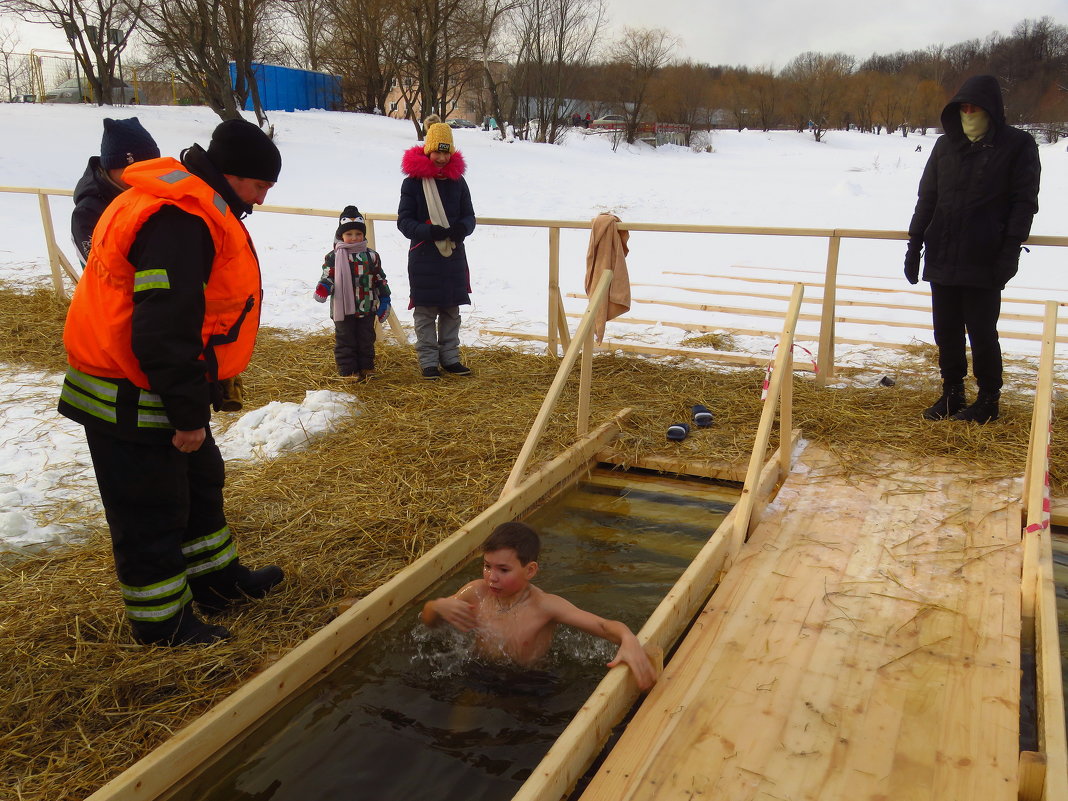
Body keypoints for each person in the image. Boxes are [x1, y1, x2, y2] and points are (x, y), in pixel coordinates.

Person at [58, 118, 286, 646]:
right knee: (150, 507)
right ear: (230, 176)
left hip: (156, 383)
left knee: (199, 485)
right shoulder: (180, 219)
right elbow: (164, 325)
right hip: (129, 392)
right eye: (258, 187)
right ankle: (161, 622)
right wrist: (187, 416)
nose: (261, 200)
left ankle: (214, 581)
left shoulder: (192, 203)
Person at [905, 74, 1040, 424]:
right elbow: (928, 198)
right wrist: (914, 243)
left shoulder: (1018, 145)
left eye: (975, 107)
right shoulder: (944, 146)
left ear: (991, 109)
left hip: (984, 257)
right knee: (945, 331)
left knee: (981, 332)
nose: (968, 113)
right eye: (963, 107)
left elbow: (1023, 203)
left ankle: (988, 400)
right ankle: (952, 393)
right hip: (942, 253)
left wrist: (1010, 250)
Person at [421, 521, 658, 691]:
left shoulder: (545, 606)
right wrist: (437, 605)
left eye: (503, 570)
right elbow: (428, 621)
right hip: (478, 672)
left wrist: (628, 638)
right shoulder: (475, 592)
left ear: (530, 570)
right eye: (486, 566)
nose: (491, 577)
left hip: (531, 682)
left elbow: (604, 626)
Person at [397, 114, 476, 380]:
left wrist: (460, 230)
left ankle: (450, 358)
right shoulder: (413, 183)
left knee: (451, 311)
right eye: (437, 153)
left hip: (453, 255)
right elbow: (405, 222)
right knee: (426, 311)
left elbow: (469, 216)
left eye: (446, 154)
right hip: (424, 255)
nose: (441, 159)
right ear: (428, 150)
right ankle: (429, 361)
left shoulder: (458, 182)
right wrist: (429, 231)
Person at [71, 116, 160, 268]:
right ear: (112, 167)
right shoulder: (88, 212)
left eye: (151, 167)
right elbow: (104, 270)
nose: (145, 175)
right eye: (136, 168)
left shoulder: (155, 192)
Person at [314, 205, 391, 380]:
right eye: (349, 234)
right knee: (345, 339)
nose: (354, 238)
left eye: (358, 234)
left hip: (367, 305)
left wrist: (385, 298)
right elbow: (329, 275)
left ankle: (366, 367)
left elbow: (379, 277)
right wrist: (324, 287)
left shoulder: (371, 256)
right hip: (342, 307)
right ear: (341, 235)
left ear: (364, 235)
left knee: (366, 339)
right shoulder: (334, 256)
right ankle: (348, 370)